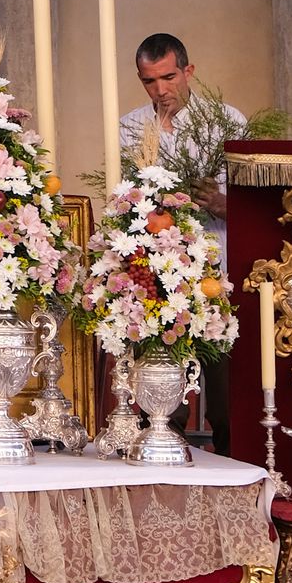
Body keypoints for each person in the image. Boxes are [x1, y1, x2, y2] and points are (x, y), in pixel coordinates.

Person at [120, 32, 246, 451]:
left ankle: (234, 480)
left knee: (228, 401)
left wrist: (221, 203)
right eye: (149, 81)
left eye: (169, 77)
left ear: (188, 71)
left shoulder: (228, 122)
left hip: (218, 277)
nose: (160, 90)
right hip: (160, 280)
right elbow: (124, 201)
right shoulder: (131, 127)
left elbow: (255, 206)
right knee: (162, 402)